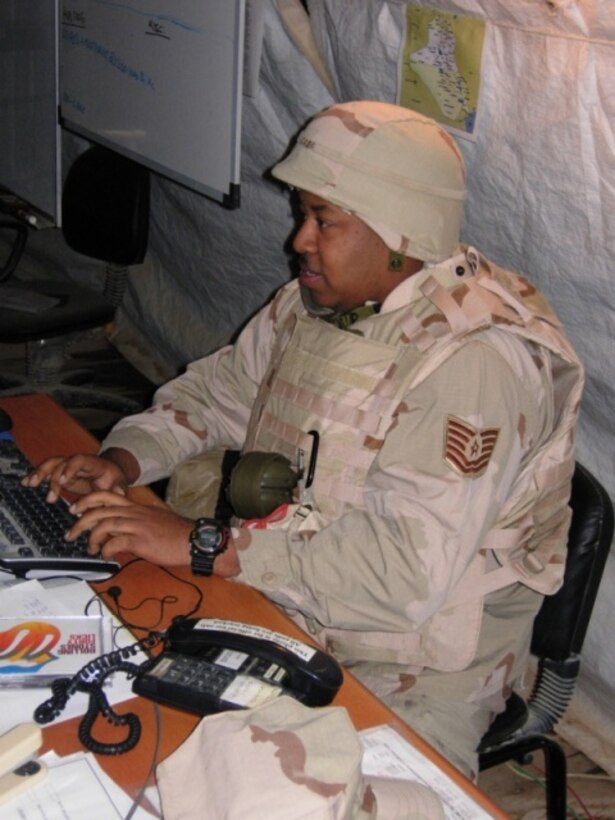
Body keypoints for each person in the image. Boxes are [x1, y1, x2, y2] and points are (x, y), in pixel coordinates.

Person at [23, 101, 583, 779]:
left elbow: (398, 574)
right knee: (116, 726)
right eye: (301, 214)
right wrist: (119, 461)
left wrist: (204, 546)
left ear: (399, 233)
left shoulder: (474, 364)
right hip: (288, 597)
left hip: (414, 662)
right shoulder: (316, 303)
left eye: (324, 220)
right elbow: (214, 396)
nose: (298, 240)